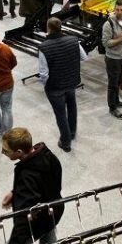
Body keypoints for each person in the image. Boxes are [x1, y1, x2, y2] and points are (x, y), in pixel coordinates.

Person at [0, 128, 64, 244]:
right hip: (54, 209)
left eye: (6, 150)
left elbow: (22, 221)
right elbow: (48, 183)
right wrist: (16, 192)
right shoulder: (47, 155)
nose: (2, 152)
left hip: (38, 219)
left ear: (19, 152)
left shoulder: (27, 175)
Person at [37, 17, 87, 152]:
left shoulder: (44, 47)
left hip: (55, 87)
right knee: (72, 107)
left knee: (60, 114)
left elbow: (44, 73)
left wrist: (44, 85)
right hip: (71, 82)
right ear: (61, 27)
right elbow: (84, 57)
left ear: (48, 28)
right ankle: (72, 132)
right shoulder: (73, 40)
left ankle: (65, 142)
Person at [102, 2, 122, 119]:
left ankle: (116, 101)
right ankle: (112, 107)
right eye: (117, 10)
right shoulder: (108, 24)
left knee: (120, 82)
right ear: (114, 10)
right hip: (113, 58)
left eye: (121, 10)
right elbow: (106, 43)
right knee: (112, 84)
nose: (119, 12)